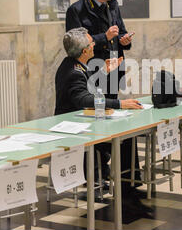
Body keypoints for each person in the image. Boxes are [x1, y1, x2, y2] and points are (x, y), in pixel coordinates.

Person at [54, 28, 151, 214]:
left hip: (86, 121)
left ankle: (128, 182)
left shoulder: (75, 64)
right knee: (122, 137)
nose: (94, 46)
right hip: (76, 129)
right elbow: (85, 100)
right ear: (85, 51)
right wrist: (120, 103)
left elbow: (88, 88)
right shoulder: (73, 71)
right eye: (91, 44)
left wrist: (104, 71)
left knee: (127, 135)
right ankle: (124, 185)